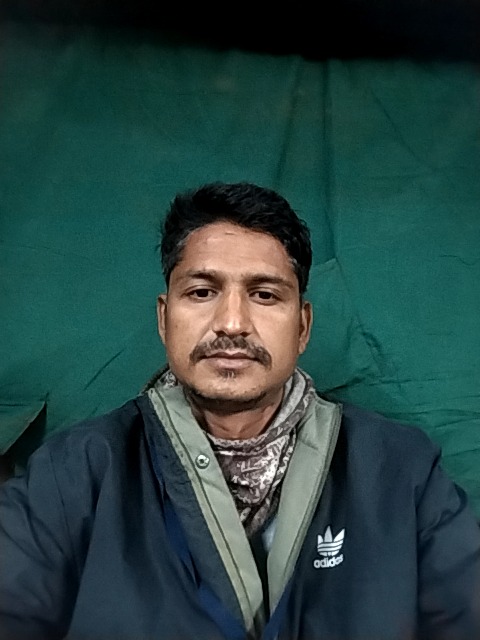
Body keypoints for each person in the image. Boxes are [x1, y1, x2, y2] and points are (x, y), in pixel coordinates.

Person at [0, 181, 479, 640]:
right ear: (164, 318)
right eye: (202, 292)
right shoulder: (74, 475)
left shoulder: (401, 473)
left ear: (303, 326)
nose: (232, 323)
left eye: (264, 294)